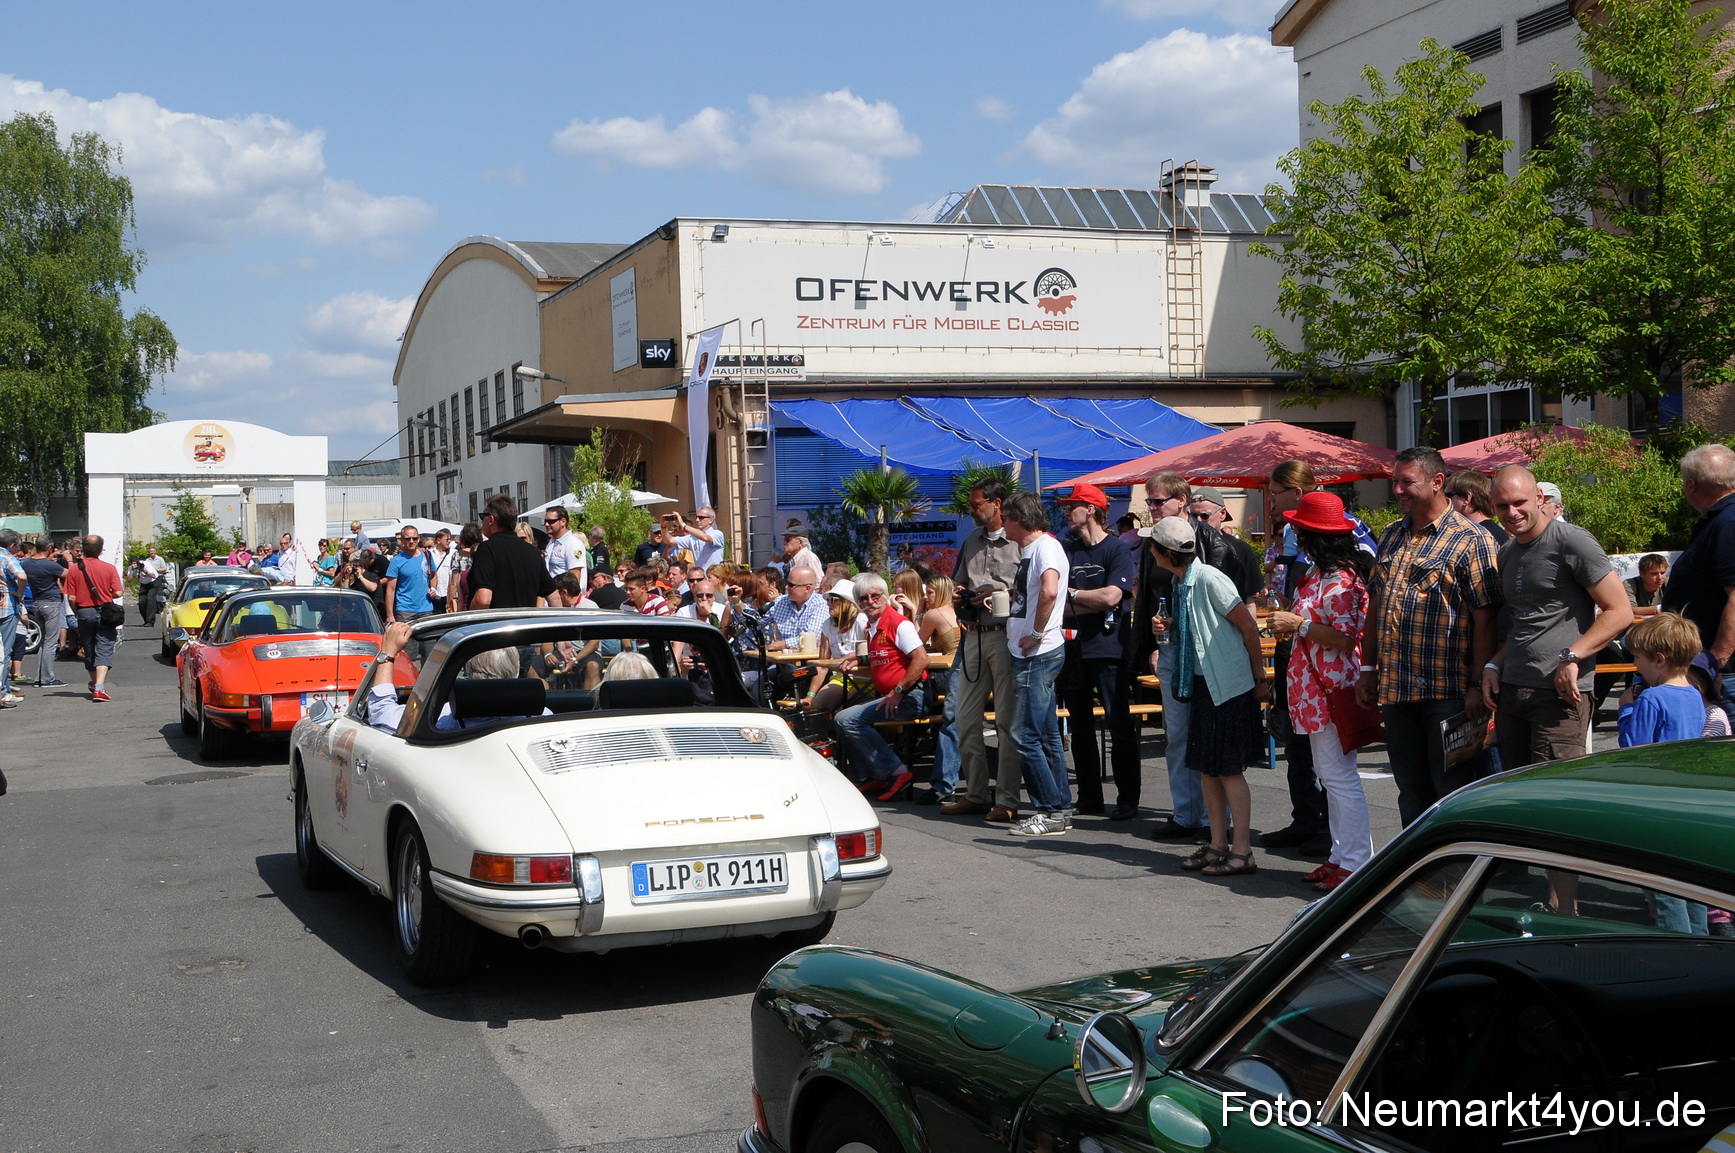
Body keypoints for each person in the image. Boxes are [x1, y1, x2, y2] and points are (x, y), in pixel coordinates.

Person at [1358, 447, 1502, 827]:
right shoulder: (1391, 535)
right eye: (1396, 481)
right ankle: (1422, 879)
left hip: (1448, 693)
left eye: (1407, 482)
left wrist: (1476, 684)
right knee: (1411, 790)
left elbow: (1486, 618)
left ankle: (1457, 878)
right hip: (1397, 688)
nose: (1398, 490)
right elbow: (1376, 605)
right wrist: (1368, 668)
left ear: (1438, 482)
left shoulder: (1472, 539)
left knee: (1452, 792)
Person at [1135, 470, 1262, 844]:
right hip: (1183, 655)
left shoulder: (1216, 555)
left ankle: (1227, 837)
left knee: (1218, 757)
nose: (1152, 509)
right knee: (1186, 742)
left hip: (1216, 666)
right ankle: (1198, 823)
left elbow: (1245, 619)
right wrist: (1159, 635)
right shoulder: (1165, 560)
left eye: (1158, 501)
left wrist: (1258, 677)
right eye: (1150, 502)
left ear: (1181, 501)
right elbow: (1153, 604)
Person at [1481, 465, 1632, 768]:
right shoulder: (1508, 551)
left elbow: (1620, 611)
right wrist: (1493, 664)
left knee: (1554, 792)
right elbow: (1527, 621)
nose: (1511, 512)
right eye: (1502, 506)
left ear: (1539, 497)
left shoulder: (1571, 541)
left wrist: (1572, 656)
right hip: (1512, 689)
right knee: (1517, 793)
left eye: (1519, 502)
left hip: (1559, 694)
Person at [1260, 459, 1374, 856]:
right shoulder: (1321, 576)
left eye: (1302, 530)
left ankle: (1355, 860)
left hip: (1330, 688)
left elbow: (1346, 639)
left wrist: (1298, 624)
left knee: (1340, 779)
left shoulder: (1342, 578)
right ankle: (1340, 855)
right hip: (1313, 689)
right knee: (1330, 775)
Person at [939, 479, 1026, 822]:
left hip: (1005, 637)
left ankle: (1006, 799)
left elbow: (1027, 589)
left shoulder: (1019, 541)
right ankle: (976, 793)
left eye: (976, 505)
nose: (972, 511)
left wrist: (996, 594)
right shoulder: (972, 540)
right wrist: (961, 595)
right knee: (963, 718)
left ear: (997, 503)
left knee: (1006, 721)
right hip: (973, 634)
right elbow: (959, 581)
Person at [1057, 482, 1140, 820]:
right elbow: (1053, 603)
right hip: (1074, 648)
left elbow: (1112, 598)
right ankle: (1089, 797)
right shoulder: (1066, 549)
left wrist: (1074, 596)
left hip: (1109, 648)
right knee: (1080, 726)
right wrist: (1087, 600)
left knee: (1118, 723)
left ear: (1090, 509)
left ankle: (1127, 799)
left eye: (1071, 505)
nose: (1066, 512)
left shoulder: (1116, 549)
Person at [992, 491, 1073, 836]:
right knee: (1046, 735)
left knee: (1024, 735)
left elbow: (1051, 590)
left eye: (1006, 518)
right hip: (1033, 651)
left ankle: (1049, 810)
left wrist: (1037, 633)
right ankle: (1060, 808)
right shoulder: (1038, 548)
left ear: (1019, 520)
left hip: (1037, 654)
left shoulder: (1044, 548)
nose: (1002, 525)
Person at [832, 574, 930, 802]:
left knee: (846, 719)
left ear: (886, 597)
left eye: (875, 596)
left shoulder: (898, 623)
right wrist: (861, 660)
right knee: (840, 719)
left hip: (910, 697)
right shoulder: (872, 626)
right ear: (858, 603)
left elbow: (921, 660)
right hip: (895, 696)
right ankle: (872, 775)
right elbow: (887, 656)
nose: (870, 601)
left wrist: (898, 692)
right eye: (863, 598)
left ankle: (898, 772)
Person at [1661, 444, 1735, 726]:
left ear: (1691, 484)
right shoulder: (1722, 520)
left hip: (1723, 675)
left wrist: (1712, 665)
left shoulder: (1728, 523)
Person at [1616, 612, 1710, 747]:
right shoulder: (1695, 695)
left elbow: (1632, 748)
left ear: (1659, 660)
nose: (1634, 664)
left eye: (1636, 657)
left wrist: (1626, 709)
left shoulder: (1651, 698)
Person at [909, 575, 962, 803]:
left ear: (940, 593)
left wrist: (915, 611)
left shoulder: (934, 614)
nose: (925, 596)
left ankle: (912, 733)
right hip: (967, 672)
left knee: (946, 718)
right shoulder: (957, 611)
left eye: (929, 592)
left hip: (949, 674)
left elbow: (914, 643)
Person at [468, 494, 555, 610]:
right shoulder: (533, 553)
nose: (481, 522)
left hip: (498, 625)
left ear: (491, 519)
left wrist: (470, 619)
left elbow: (483, 600)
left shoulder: (487, 549)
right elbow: (554, 598)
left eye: (482, 517)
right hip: (527, 625)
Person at [64, 533, 122, 702]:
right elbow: (118, 592)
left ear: (83, 549)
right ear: (100, 549)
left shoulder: (75, 568)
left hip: (84, 611)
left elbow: (71, 597)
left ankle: (95, 683)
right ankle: (99, 687)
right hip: (105, 612)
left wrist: (77, 612)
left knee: (88, 648)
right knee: (104, 646)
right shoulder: (109, 568)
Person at [805, 580, 865, 718]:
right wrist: (810, 695)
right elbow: (822, 665)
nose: (828, 603)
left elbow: (871, 650)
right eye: (827, 600)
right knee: (817, 709)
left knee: (842, 714)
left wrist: (851, 655)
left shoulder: (862, 621)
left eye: (833, 599)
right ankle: (820, 739)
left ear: (847, 602)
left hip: (866, 679)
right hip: (840, 678)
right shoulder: (827, 625)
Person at [23, 539, 66, 687]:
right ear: (48, 548)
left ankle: (39, 677)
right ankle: (47, 678)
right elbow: (70, 573)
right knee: (50, 642)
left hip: (37, 602)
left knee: (44, 642)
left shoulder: (27, 563)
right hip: (51, 603)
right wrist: (67, 560)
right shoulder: (51, 566)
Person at [383, 526, 437, 628]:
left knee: (429, 644)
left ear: (419, 539)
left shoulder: (427, 555)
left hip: (426, 609)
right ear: (402, 540)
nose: (411, 541)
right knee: (408, 643)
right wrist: (390, 615)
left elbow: (433, 575)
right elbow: (390, 589)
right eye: (408, 539)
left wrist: (433, 588)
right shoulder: (397, 561)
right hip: (405, 611)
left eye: (415, 538)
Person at [766, 565, 828, 652]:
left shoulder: (821, 604)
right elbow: (757, 620)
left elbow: (811, 637)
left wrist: (782, 644)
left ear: (807, 588)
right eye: (786, 583)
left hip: (810, 661)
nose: (786, 587)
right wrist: (739, 602)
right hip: (782, 661)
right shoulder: (780, 601)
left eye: (791, 585)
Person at [1447, 470, 1509, 545]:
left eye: (1449, 495)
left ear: (1467, 498)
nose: (1446, 500)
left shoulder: (1483, 536)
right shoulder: (1496, 532)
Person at [0, 531, 25, 706]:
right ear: (12, 545)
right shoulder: (7, 557)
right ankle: (3, 690)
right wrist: (19, 593)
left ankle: (5, 687)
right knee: (5, 651)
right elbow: (21, 576)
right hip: (7, 605)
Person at [542, 506, 588, 587]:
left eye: (551, 521)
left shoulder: (573, 544)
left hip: (565, 595)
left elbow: (574, 578)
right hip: (553, 595)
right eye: (545, 521)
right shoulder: (552, 542)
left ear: (563, 521)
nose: (546, 524)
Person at [132, 545, 169, 625]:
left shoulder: (159, 559)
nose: (151, 553)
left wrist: (152, 570)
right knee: (142, 601)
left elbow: (163, 569)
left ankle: (151, 620)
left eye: (153, 551)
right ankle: (146, 620)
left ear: (155, 552)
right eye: (150, 551)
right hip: (145, 581)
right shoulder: (147, 560)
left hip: (156, 578)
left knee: (151, 598)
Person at [426, 529, 455, 612]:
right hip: (434, 594)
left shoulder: (454, 553)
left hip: (448, 594)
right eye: (447, 539)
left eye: (450, 539)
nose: (449, 541)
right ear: (438, 540)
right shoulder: (429, 554)